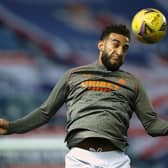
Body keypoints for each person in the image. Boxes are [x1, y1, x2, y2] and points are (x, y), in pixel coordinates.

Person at [0, 24, 168, 168]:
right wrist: (13, 127)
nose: (119, 51)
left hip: (117, 160)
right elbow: (45, 113)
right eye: (115, 45)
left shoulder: (132, 82)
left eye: (125, 48)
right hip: (81, 159)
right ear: (101, 45)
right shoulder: (74, 75)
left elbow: (152, 125)